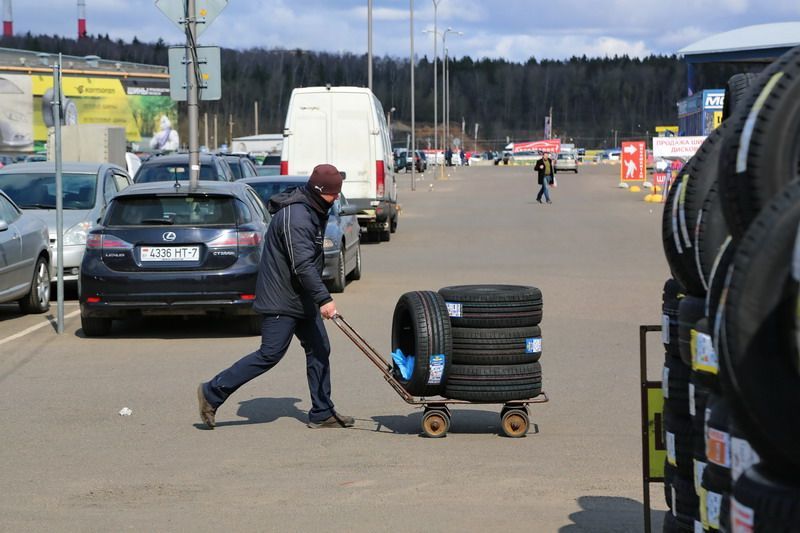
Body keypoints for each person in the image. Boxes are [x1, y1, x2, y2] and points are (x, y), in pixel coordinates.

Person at [197, 164, 354, 430]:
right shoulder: (297, 217)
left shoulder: (313, 208)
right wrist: (324, 299)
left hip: (300, 295)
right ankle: (212, 391)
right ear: (319, 191)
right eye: (333, 193)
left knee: (319, 348)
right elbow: (302, 265)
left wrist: (315, 297)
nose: (337, 197)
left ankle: (322, 411)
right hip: (281, 297)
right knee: (269, 354)